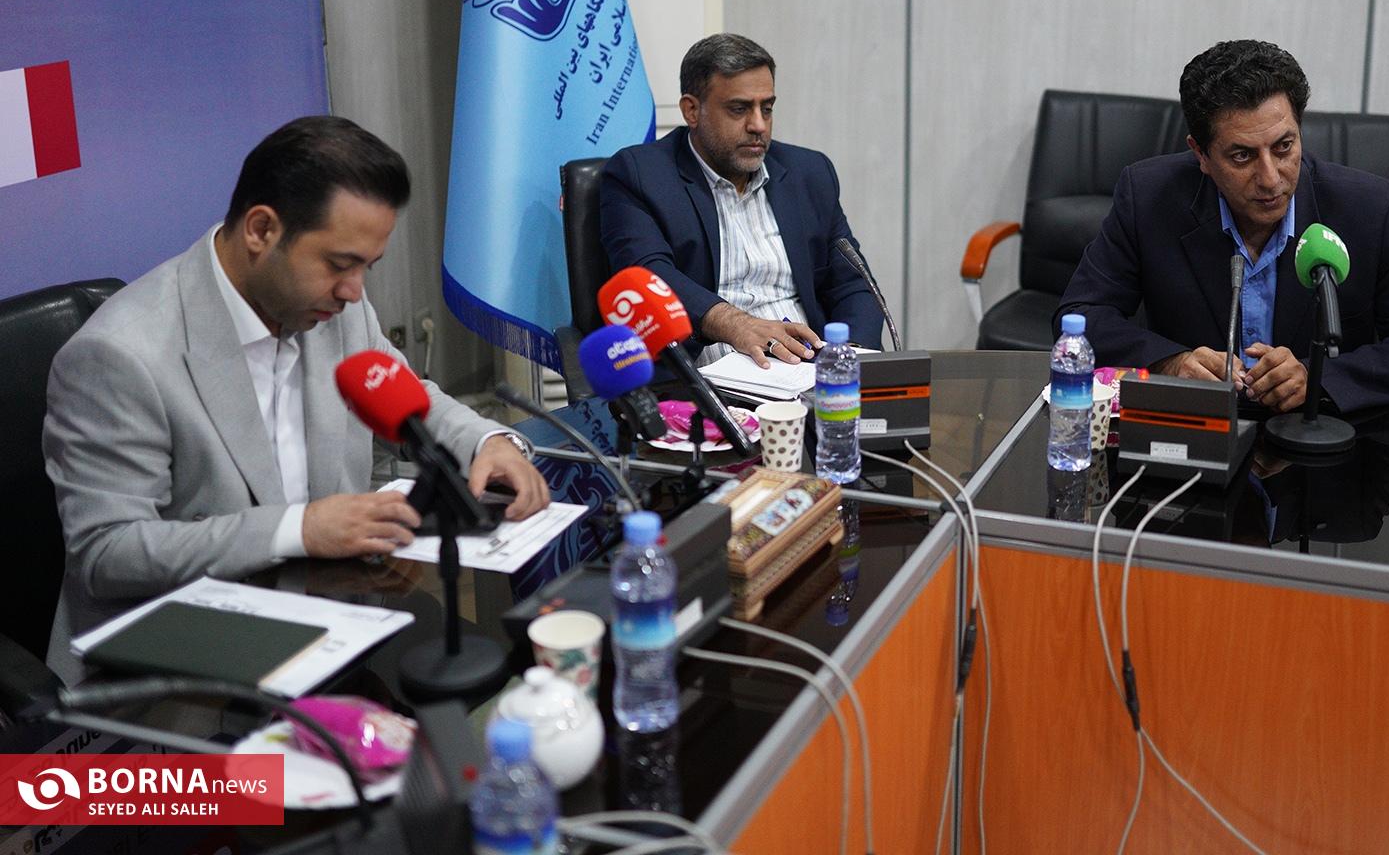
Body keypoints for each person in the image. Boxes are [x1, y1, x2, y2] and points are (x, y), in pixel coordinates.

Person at [44, 116, 550, 675]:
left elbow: (408, 397)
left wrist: (487, 442)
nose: (354, 291)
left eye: (367, 267)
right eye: (340, 264)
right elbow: (107, 552)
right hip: (174, 665)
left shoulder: (335, 305)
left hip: (333, 614)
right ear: (261, 230)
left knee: (508, 675)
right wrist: (299, 529)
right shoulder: (120, 356)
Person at [1059, 39, 1389, 414]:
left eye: (1284, 147)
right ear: (1201, 154)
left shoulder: (1373, 211)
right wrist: (1170, 362)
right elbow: (1081, 317)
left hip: (1319, 441)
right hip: (1196, 431)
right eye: (1242, 156)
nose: (1270, 178)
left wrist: (1317, 378)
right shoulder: (1148, 196)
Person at [599, 33, 884, 365]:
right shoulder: (640, 175)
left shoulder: (808, 173)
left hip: (809, 371)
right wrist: (736, 323)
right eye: (739, 109)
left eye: (767, 108)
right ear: (692, 110)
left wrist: (847, 364)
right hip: (706, 378)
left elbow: (852, 284)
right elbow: (647, 277)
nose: (758, 125)